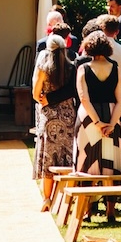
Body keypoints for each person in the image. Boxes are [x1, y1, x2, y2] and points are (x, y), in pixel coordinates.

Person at [74, 32, 121, 219]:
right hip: (112, 114)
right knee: (112, 163)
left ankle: (88, 209)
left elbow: (83, 98)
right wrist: (111, 123)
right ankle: (110, 210)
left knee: (87, 162)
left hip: (88, 118)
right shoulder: (115, 67)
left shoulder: (83, 68)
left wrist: (97, 122)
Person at [31, 37, 77, 204]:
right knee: (66, 155)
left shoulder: (43, 68)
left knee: (48, 157)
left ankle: (47, 199)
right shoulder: (72, 67)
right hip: (68, 116)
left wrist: (45, 98)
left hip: (49, 116)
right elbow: (73, 91)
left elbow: (36, 94)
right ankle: (65, 197)